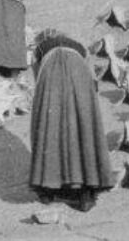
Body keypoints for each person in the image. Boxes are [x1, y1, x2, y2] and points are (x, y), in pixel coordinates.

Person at [27, 29, 115, 212]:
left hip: (51, 79)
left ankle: (48, 188)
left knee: (49, 128)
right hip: (79, 76)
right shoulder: (80, 48)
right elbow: (92, 80)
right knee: (83, 129)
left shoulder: (41, 49)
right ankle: (86, 192)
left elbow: (36, 79)